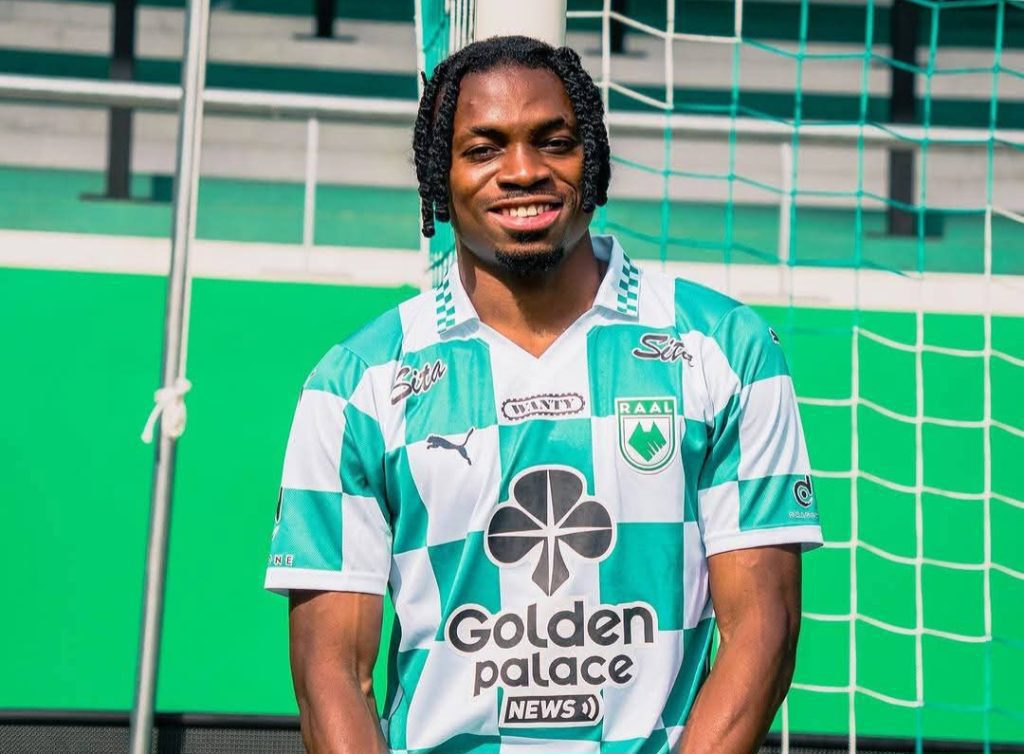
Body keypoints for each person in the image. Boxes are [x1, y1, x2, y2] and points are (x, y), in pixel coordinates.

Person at [265, 35, 822, 754]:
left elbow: (764, 627)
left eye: (554, 143)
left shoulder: (724, 349)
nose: (524, 171)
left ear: (594, 160)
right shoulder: (355, 386)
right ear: (439, 175)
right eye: (484, 149)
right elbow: (331, 673)